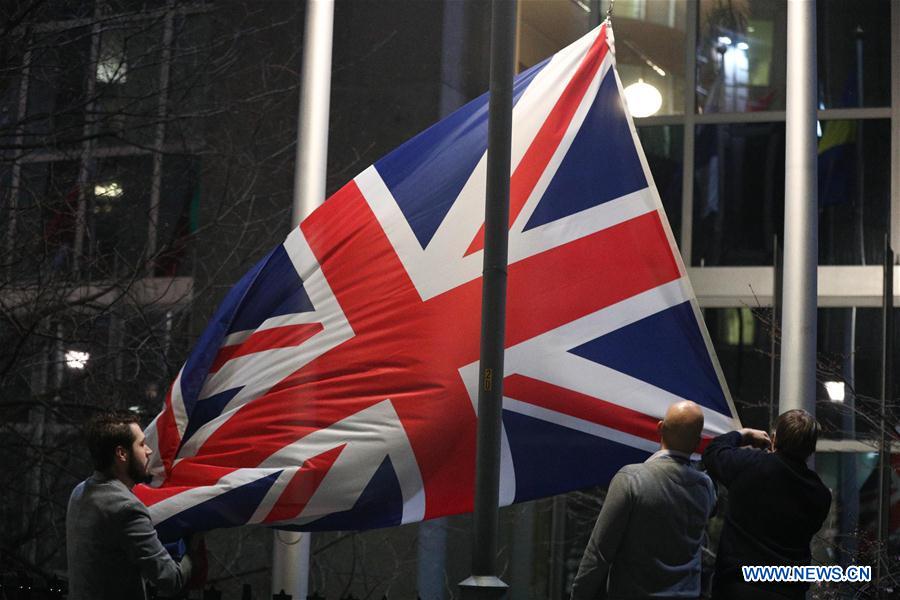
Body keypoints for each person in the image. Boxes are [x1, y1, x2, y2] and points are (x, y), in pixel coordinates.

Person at [571, 401, 716, 600]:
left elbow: (599, 554)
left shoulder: (632, 479)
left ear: (659, 428)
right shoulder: (705, 488)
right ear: (698, 442)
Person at [66, 412, 200, 600]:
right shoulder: (126, 508)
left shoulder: (79, 492)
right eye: (141, 444)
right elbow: (170, 579)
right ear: (122, 454)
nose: (149, 451)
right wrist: (191, 556)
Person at [702, 409, 831, 600]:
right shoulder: (820, 494)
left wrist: (743, 435)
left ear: (774, 438)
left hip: (738, 587)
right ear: (811, 449)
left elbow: (713, 452)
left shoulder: (750, 466)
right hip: (789, 592)